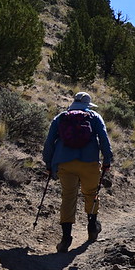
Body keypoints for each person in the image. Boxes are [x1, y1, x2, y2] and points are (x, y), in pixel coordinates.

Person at [43, 92, 113, 253]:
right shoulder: (94, 117)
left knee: (68, 197)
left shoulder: (61, 117)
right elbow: (104, 139)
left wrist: (48, 163)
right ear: (88, 105)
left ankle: (66, 238)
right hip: (89, 162)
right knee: (91, 193)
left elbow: (49, 142)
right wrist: (107, 160)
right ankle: (92, 227)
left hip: (65, 162)